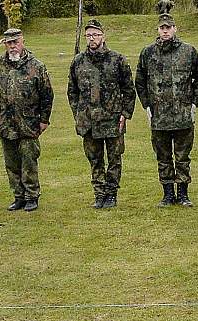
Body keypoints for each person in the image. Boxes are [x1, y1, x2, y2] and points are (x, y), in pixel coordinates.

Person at [0, 28, 53, 213]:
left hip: (28, 123)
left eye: (16, 42)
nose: (12, 46)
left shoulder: (36, 65)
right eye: (8, 43)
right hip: (5, 123)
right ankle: (18, 196)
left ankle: (32, 196)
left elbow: (47, 94)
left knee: (29, 161)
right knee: (11, 163)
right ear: (4, 44)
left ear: (23, 41)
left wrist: (44, 119)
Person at [136, 14, 198, 207]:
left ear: (175, 28)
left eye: (169, 27)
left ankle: (183, 194)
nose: (165, 31)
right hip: (159, 117)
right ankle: (167, 194)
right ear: (158, 30)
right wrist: (147, 105)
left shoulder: (189, 51)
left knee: (182, 157)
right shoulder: (147, 53)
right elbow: (140, 81)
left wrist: (194, 104)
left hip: (183, 116)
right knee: (163, 157)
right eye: (162, 28)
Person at [67, 19, 136, 209]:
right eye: (88, 35)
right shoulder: (78, 61)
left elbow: (129, 89)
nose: (92, 39)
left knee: (114, 159)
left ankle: (112, 194)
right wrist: (78, 112)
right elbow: (72, 91)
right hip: (88, 122)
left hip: (113, 120)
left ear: (103, 36)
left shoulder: (117, 60)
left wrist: (125, 113)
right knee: (94, 160)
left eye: (95, 35)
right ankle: (99, 194)